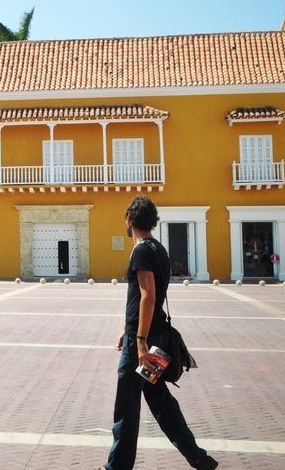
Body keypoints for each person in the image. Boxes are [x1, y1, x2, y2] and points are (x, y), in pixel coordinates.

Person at [101, 196, 218, 470]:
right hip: (156, 337)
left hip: (143, 346)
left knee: (127, 406)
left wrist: (138, 341)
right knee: (159, 400)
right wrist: (127, 328)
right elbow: (146, 300)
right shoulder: (159, 249)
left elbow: (147, 296)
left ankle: (116, 467)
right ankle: (198, 457)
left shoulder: (141, 250)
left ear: (129, 220)